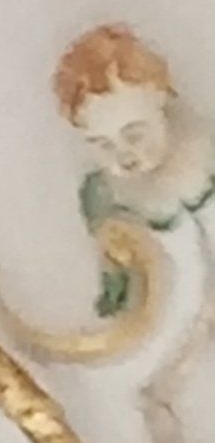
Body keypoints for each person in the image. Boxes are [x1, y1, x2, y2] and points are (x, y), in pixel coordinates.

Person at [55, 25, 215, 318]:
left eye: (134, 134)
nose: (123, 156)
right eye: (103, 144)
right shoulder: (103, 196)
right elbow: (122, 283)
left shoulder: (208, 154)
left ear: (161, 99)